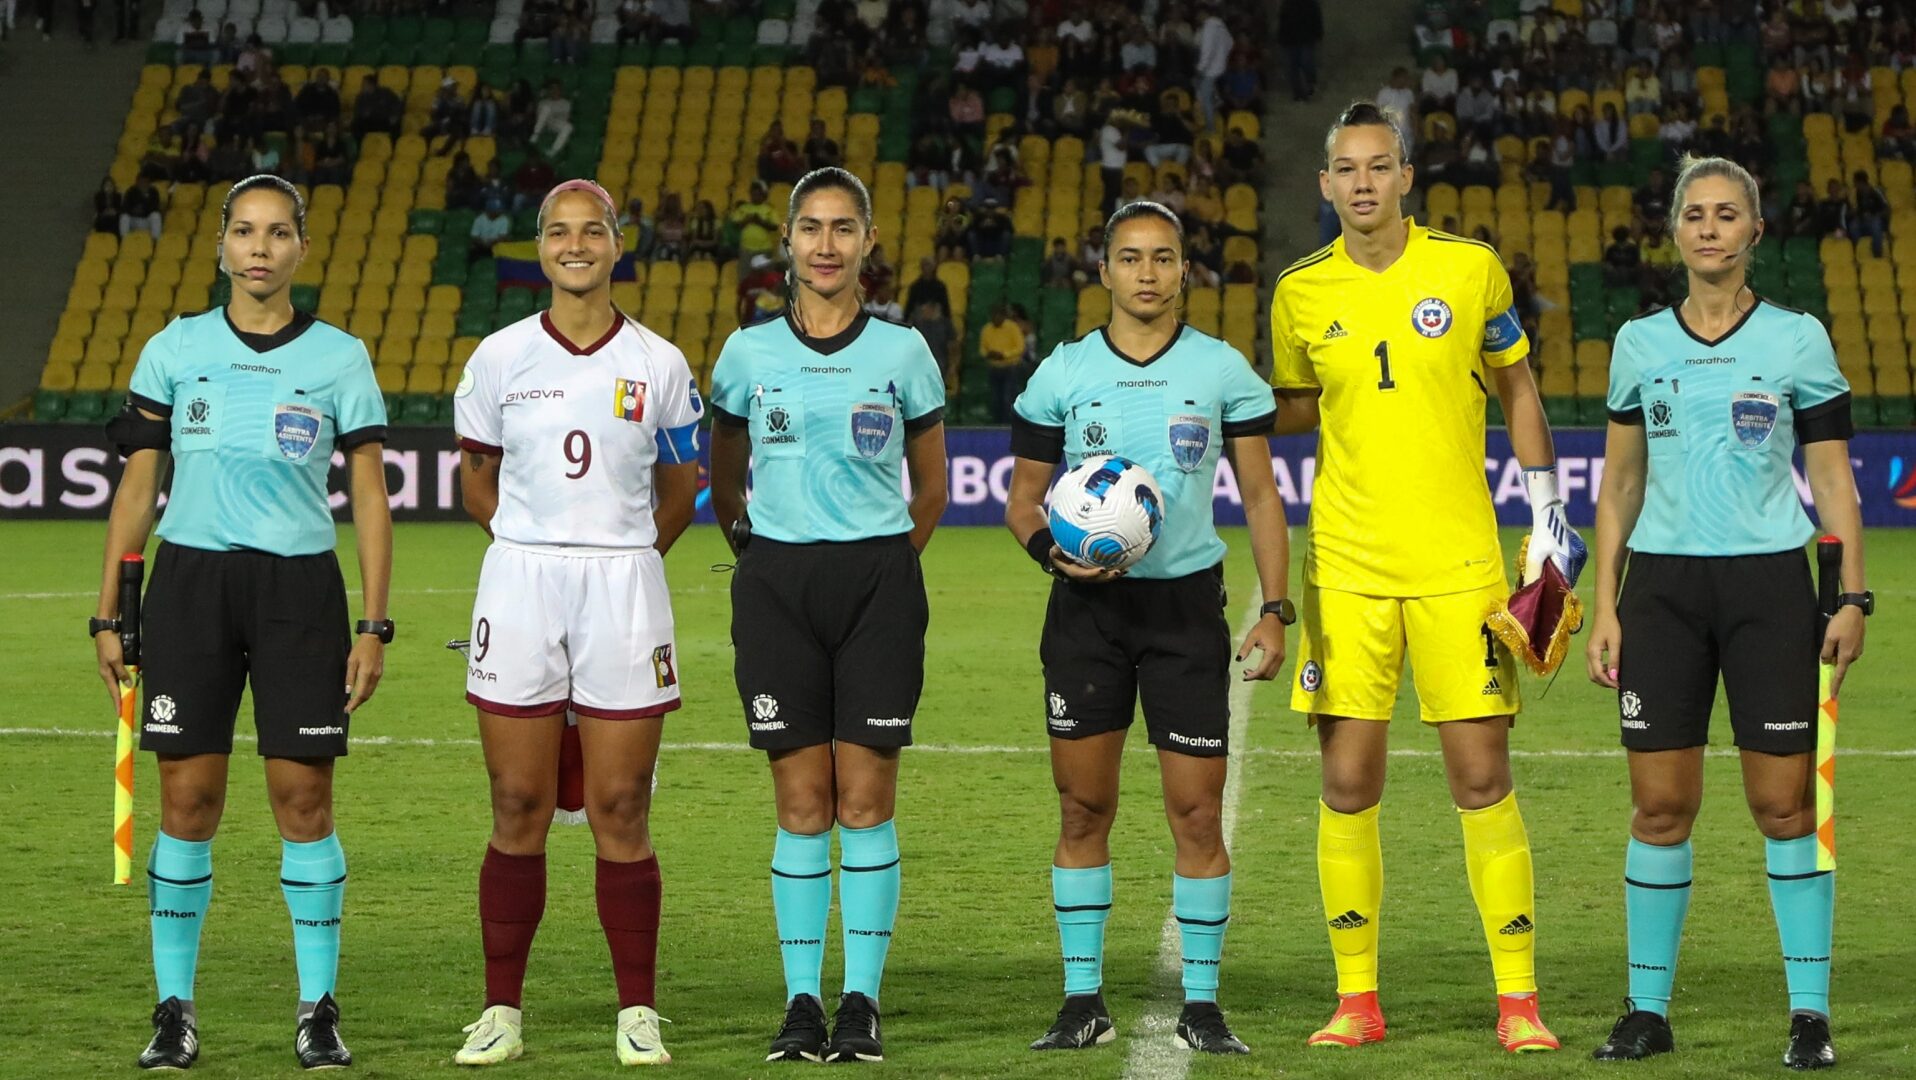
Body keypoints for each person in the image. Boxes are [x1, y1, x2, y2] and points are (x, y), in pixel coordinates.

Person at [1269, 103, 1583, 1053]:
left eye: (1378, 166)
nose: (1361, 183)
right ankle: (1356, 1001)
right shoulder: (1297, 292)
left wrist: (1550, 519)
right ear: (1323, 185)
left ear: (1407, 175)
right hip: (1351, 570)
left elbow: (1518, 388)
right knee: (1348, 782)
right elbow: (1288, 410)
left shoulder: (1470, 267)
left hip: (1461, 567)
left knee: (1482, 778)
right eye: (1344, 169)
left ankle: (1518, 1002)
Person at [94, 174, 391, 1071]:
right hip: (189, 588)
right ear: (222, 244)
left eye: (279, 233)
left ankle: (317, 1008)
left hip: (301, 591)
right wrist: (108, 611)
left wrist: (374, 625)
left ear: (302, 247)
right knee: (188, 803)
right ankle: (174, 1009)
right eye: (245, 232)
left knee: (304, 800)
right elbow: (137, 489)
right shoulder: (173, 349)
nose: (260, 248)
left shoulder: (341, 357)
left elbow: (371, 499)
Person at [1586, 155, 1867, 1071]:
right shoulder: (1639, 345)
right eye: (1694, 215)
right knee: (1660, 807)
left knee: (1784, 806)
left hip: (1768, 591)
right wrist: (1605, 607)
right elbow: (1621, 482)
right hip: (1662, 593)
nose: (1709, 228)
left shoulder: (1798, 340)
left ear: (1753, 232)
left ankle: (1811, 1015)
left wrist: (1853, 593)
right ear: (1676, 233)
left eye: (1726, 214)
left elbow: (1831, 479)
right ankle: (1646, 1012)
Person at [1007, 199, 1288, 1056]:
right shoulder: (1061, 374)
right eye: (1130, 258)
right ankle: (1080, 997)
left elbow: (1264, 495)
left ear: (1182, 271)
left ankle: (1201, 1005)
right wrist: (1058, 560)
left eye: (1163, 258)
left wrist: (1276, 610)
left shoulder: (1222, 370)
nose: (1147, 273)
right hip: (1087, 613)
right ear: (1104, 273)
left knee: (1196, 814)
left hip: (1182, 611)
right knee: (1083, 804)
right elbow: (1024, 499)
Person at [450, 179, 702, 1069]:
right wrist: (527, 550)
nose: (575, 244)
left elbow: (681, 487)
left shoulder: (660, 363)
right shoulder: (499, 358)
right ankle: (501, 1013)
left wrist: (628, 555)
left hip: (624, 585)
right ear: (541, 246)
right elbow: (474, 478)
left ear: (618, 244)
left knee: (620, 806)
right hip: (519, 580)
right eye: (558, 231)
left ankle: (637, 1012)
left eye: (591, 230)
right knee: (515, 802)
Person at [707, 167, 948, 1065]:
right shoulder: (745, 353)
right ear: (789, 240)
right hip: (776, 584)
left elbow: (932, 484)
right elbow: (722, 465)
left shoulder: (903, 352)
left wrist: (886, 560)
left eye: (844, 229)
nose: (826, 245)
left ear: (869, 244)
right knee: (802, 801)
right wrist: (757, 549)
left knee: (867, 797)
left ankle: (862, 1001)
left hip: (878, 582)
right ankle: (802, 1001)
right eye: (811, 228)